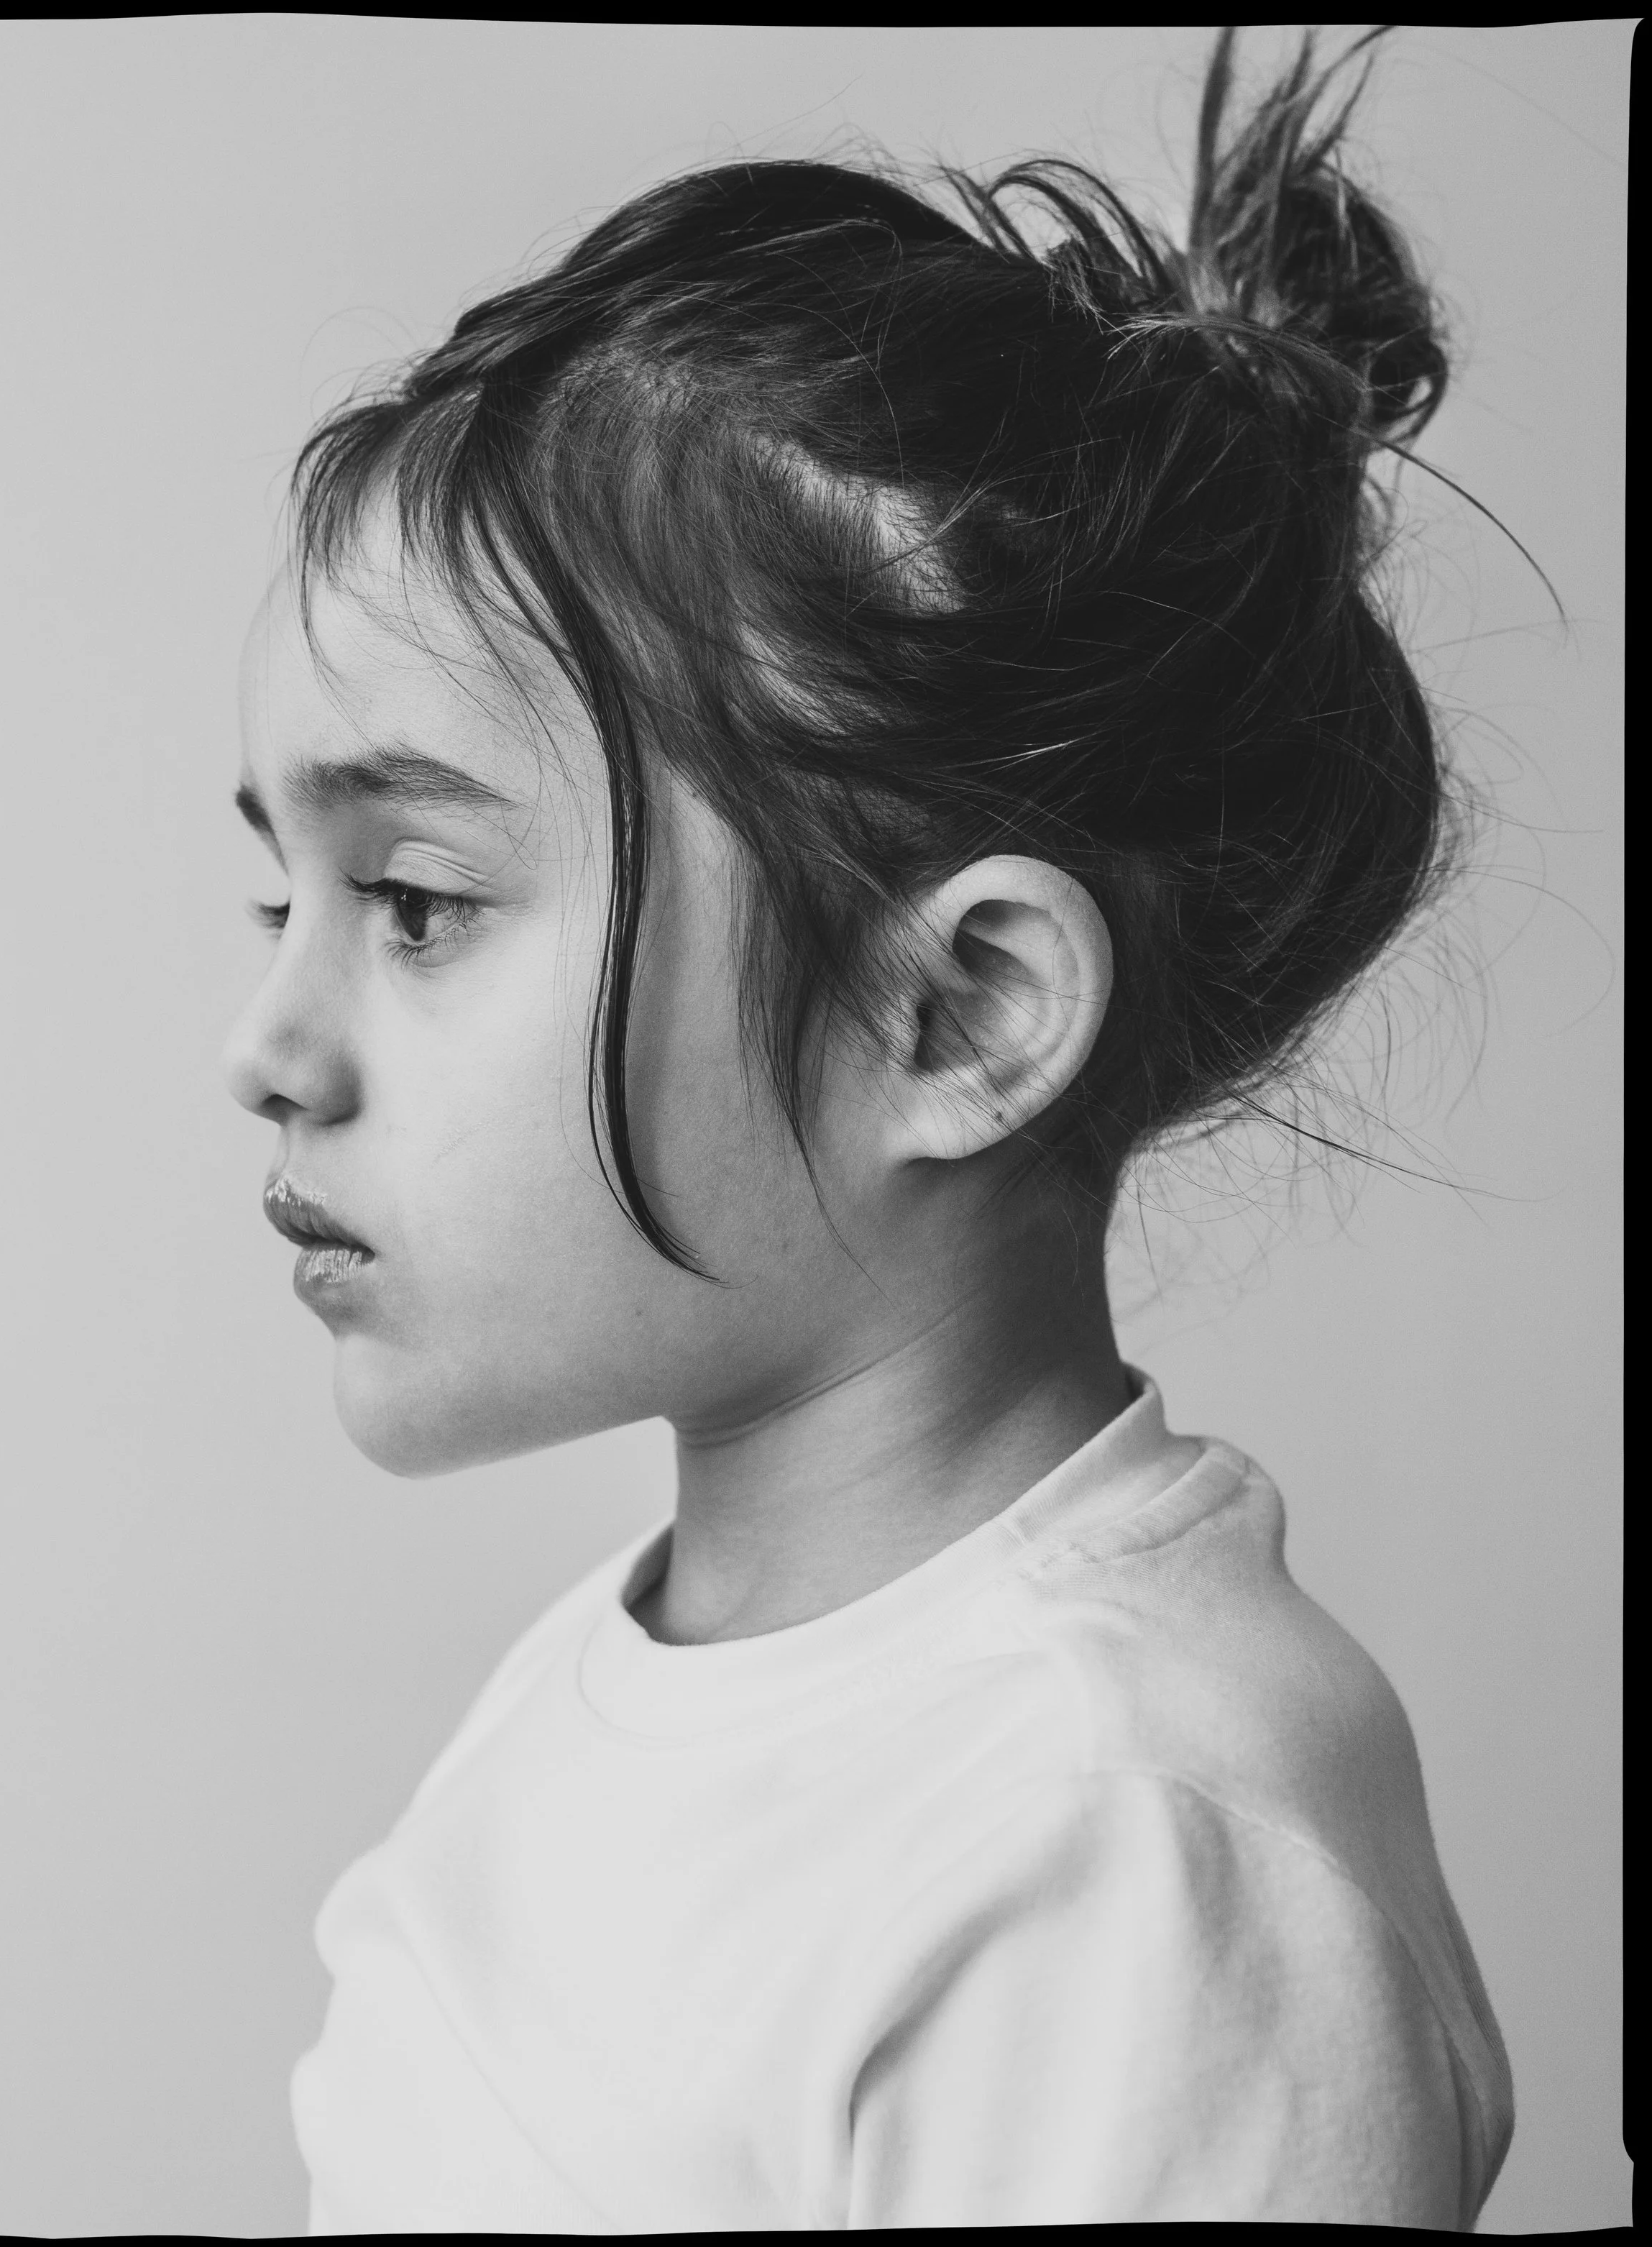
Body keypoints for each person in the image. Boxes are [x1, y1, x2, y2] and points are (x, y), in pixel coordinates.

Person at [225, 25, 1513, 2230]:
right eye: (284, 902)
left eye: (416, 903)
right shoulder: (650, 1695)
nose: (267, 1045)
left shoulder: (1117, 1852)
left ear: (958, 1013)